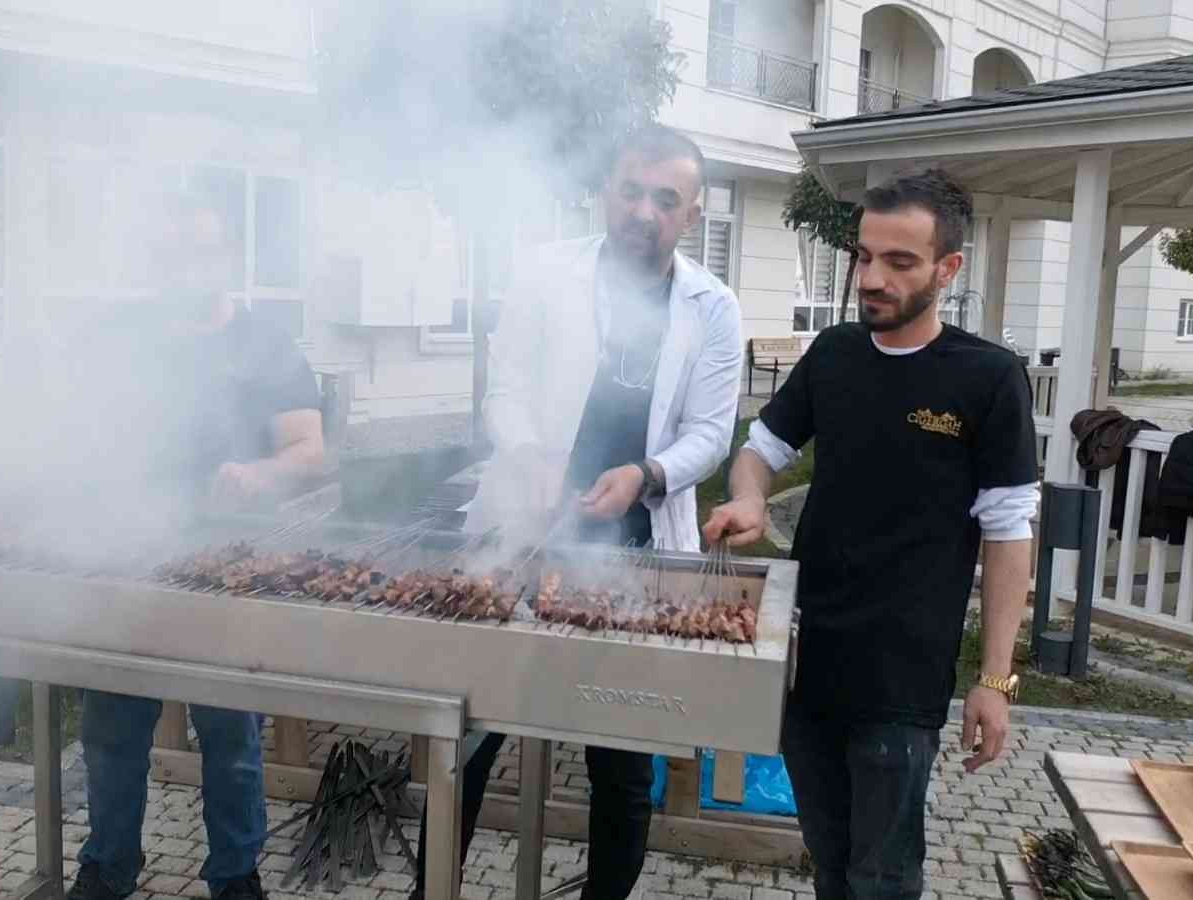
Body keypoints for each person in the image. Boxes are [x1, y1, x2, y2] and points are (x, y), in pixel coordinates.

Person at [416, 125, 745, 900]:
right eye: (630, 190)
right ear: (606, 192)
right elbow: (505, 390)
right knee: (465, 738)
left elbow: (710, 433)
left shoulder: (713, 307)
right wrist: (531, 454)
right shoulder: (543, 275)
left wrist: (646, 473)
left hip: (636, 556)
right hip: (520, 534)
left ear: (691, 215)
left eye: (666, 199)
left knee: (623, 760)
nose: (643, 211)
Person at [703, 169, 1038, 900]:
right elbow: (760, 449)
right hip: (806, 659)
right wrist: (750, 499)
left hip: (901, 678)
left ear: (948, 268)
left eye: (899, 261)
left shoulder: (987, 378)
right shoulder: (834, 353)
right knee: (828, 860)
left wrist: (994, 680)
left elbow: (1010, 536)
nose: (872, 278)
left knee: (881, 877)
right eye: (864, 256)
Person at [66, 185, 326, 900]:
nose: (184, 268)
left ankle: (235, 874)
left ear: (226, 259)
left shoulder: (264, 342)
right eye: (170, 254)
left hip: (228, 567)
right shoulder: (119, 337)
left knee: (231, 735)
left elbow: (310, 447)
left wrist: (257, 472)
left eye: (199, 253)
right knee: (112, 726)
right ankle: (109, 862)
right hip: (129, 556)